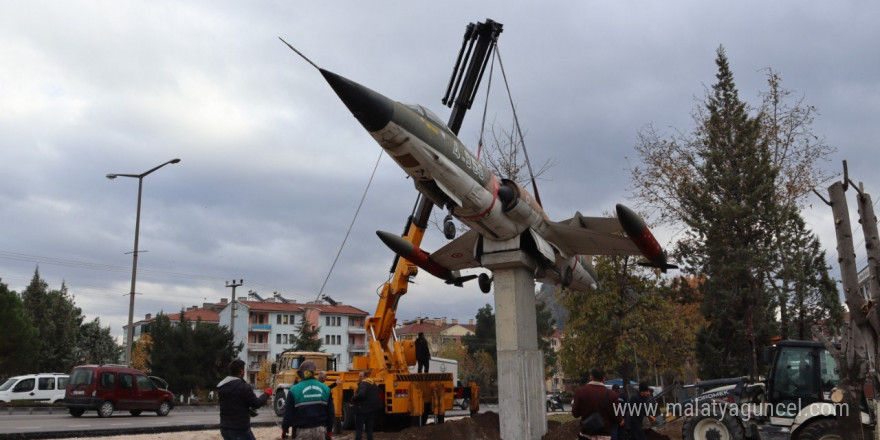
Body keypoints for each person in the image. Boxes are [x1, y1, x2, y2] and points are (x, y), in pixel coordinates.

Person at [217, 359, 272, 440]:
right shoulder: (244, 387)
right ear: (241, 371)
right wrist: (266, 394)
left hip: (225, 428)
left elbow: (232, 404)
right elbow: (256, 403)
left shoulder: (222, 387)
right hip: (240, 429)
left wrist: (247, 410)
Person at [282, 360, 335, 440]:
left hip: (301, 432)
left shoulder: (293, 390)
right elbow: (331, 413)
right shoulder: (326, 389)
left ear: (301, 374)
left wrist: (284, 429)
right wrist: (329, 431)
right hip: (320, 431)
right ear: (313, 372)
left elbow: (288, 415)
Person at [571, 368, 620, 440]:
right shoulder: (612, 395)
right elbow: (617, 417)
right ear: (604, 379)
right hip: (604, 435)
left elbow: (575, 414)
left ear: (591, 377)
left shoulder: (581, 392)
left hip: (586, 434)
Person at [350, 370, 382, 440]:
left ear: (365, 376)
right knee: (369, 430)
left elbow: (361, 394)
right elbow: (379, 390)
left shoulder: (363, 384)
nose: (359, 378)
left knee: (359, 430)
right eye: (359, 376)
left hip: (362, 410)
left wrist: (353, 399)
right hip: (371, 410)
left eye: (361, 376)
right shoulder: (372, 382)